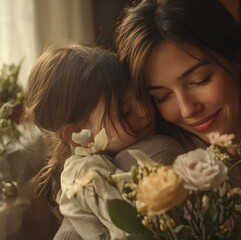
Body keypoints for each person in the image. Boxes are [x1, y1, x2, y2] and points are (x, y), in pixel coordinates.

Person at [115, 0, 241, 211]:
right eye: (162, 97)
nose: (187, 109)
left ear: (236, 55)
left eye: (200, 80)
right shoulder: (156, 163)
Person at [23, 44, 185, 239]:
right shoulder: (89, 174)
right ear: (79, 134)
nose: (145, 111)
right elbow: (132, 229)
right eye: (126, 112)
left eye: (142, 96)